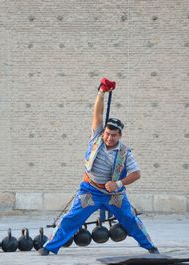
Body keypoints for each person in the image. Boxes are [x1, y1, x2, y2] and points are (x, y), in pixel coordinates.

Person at [39, 78, 159, 255]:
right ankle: (49, 247)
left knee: (130, 219)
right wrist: (101, 92)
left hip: (114, 194)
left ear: (120, 135)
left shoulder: (125, 152)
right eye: (108, 134)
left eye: (114, 135)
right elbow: (97, 114)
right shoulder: (96, 138)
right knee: (71, 218)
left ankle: (150, 247)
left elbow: (136, 174)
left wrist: (118, 184)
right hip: (90, 190)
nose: (109, 138)